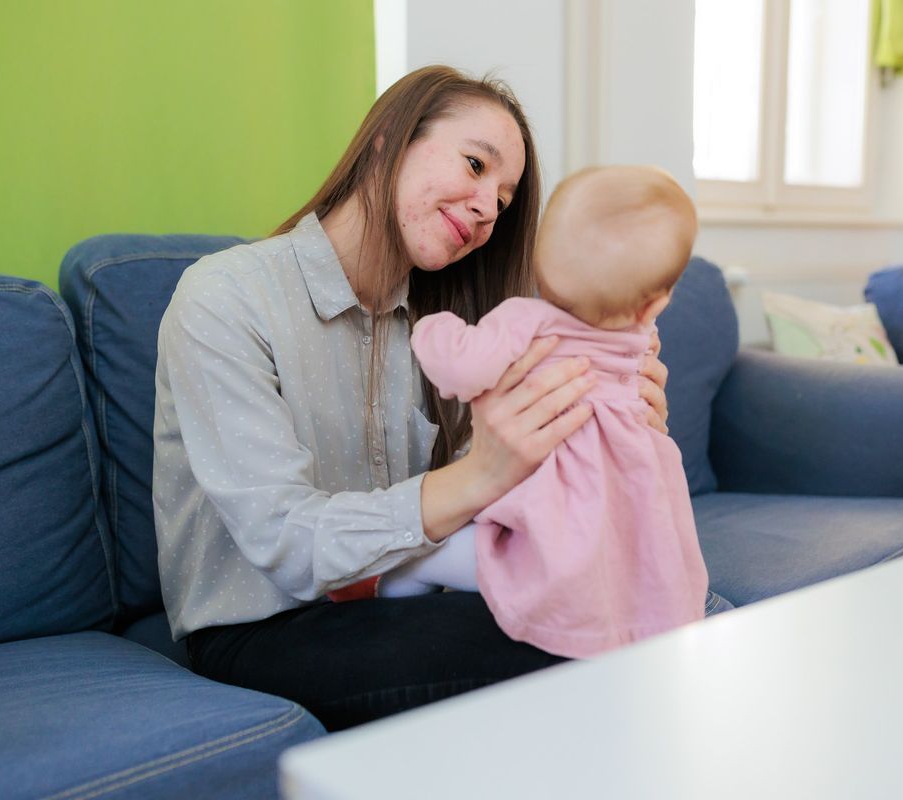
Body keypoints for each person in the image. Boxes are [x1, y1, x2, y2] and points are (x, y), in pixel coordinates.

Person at [151, 66, 676, 732]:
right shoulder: (225, 299)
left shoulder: (443, 334)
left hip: (396, 596)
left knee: (646, 601)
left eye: (505, 199)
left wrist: (607, 426)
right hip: (264, 624)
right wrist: (479, 474)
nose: (489, 206)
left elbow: (496, 510)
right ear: (388, 142)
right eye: (475, 164)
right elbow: (286, 539)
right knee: (586, 639)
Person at [376, 166, 715, 657]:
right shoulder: (641, 343)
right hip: (625, 524)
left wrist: (433, 329)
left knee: (438, 555)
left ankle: (397, 588)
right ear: (651, 307)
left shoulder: (526, 321)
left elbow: (460, 370)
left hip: (549, 529)